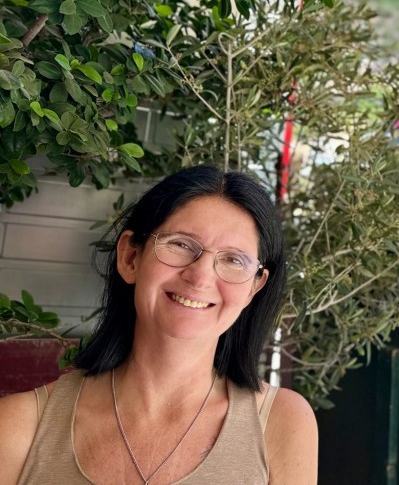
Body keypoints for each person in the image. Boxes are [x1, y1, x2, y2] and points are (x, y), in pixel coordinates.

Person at [0, 165, 317, 484]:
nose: (200, 277)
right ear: (130, 257)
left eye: (233, 260)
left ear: (254, 287)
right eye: (181, 244)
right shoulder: (17, 426)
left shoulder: (282, 422)